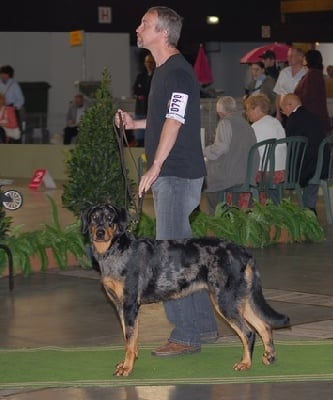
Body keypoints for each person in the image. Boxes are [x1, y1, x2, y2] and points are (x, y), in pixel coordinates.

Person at [115, 6, 218, 357]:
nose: (138, 27)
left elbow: (174, 123)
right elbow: (164, 119)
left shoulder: (177, 72)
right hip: (174, 172)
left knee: (170, 258)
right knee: (185, 253)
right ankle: (203, 324)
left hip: (176, 173)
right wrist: (135, 124)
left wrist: (155, 166)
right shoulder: (164, 71)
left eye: (144, 23)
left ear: (160, 31)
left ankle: (186, 334)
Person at [203, 96, 258, 213]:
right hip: (247, 173)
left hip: (232, 174)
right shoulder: (246, 124)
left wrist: (203, 150)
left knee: (207, 179)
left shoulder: (225, 122)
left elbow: (221, 148)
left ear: (220, 112)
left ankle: (218, 217)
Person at [280, 93, 329, 214]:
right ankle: (310, 207)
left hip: (306, 167)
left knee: (272, 176)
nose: (284, 113)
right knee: (312, 167)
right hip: (323, 165)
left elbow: (291, 148)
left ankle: (279, 213)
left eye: (283, 109)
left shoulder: (293, 119)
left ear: (290, 105)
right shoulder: (313, 116)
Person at [244, 93, 286, 204]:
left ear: (257, 109)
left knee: (235, 178)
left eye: (248, 109)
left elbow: (248, 153)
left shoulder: (256, 126)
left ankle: (245, 214)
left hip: (267, 174)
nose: (246, 113)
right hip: (282, 170)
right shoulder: (276, 122)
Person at [294, 49, 331, 133]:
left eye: (305, 57)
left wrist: (294, 100)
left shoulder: (313, 74)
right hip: (313, 116)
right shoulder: (314, 73)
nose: (303, 59)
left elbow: (308, 96)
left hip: (311, 117)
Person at [273, 47, 306, 126]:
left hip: (299, 113)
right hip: (284, 113)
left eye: (291, 56)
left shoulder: (306, 73)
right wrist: (278, 113)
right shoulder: (283, 73)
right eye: (288, 56)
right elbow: (278, 94)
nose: (288, 58)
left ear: (300, 57)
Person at [132, 52, 155, 146]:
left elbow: (150, 91)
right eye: (147, 62)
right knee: (139, 137)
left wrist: (143, 92)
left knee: (151, 137)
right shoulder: (141, 76)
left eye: (151, 62)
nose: (149, 65)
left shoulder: (157, 76)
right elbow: (136, 90)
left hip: (151, 111)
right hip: (140, 110)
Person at [0, 64, 25, 130]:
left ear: (10, 75)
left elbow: (21, 99)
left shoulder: (14, 85)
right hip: (1, 109)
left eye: (5, 74)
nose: (3, 75)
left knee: (13, 129)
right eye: (2, 73)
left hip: (11, 109)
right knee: (2, 129)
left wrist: (14, 108)